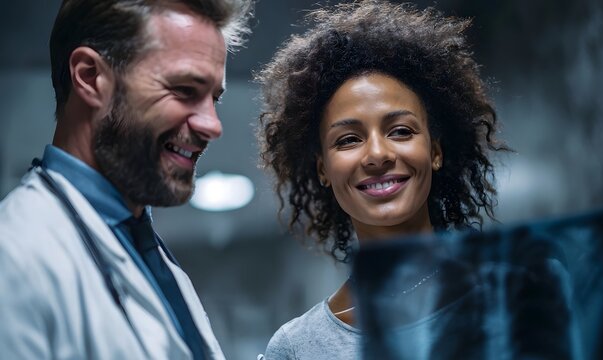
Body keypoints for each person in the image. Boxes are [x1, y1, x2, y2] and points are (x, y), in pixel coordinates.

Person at [255, 0, 507, 358]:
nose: (377, 154)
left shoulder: (518, 291)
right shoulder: (298, 348)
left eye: (401, 131)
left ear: (435, 152)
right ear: (323, 169)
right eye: (348, 139)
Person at [0, 0, 251, 359]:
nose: (212, 125)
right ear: (90, 77)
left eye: (214, 98)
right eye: (184, 89)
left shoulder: (153, 259)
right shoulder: (14, 256)